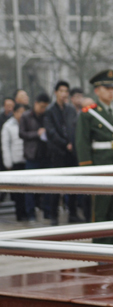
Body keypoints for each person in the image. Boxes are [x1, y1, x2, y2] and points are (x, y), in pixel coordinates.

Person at [75, 70, 113, 244]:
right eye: (107, 88)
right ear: (97, 91)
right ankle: (101, 246)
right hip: (100, 165)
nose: (111, 92)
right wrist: (88, 169)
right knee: (101, 209)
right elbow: (82, 143)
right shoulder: (88, 114)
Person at [44, 81, 78, 225]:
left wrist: (73, 144)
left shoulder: (71, 109)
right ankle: (53, 215)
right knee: (56, 185)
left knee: (74, 184)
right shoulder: (50, 110)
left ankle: (73, 214)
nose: (64, 94)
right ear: (56, 92)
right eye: (61, 91)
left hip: (71, 153)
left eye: (66, 91)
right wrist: (65, 144)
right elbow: (51, 132)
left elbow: (75, 128)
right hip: (57, 152)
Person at [19, 93, 51, 221]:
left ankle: (47, 212)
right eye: (42, 106)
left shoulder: (47, 115)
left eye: (45, 107)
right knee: (29, 186)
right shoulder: (26, 116)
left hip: (46, 154)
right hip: (32, 155)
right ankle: (30, 213)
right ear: (36, 103)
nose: (43, 109)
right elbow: (22, 133)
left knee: (48, 185)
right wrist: (36, 134)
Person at [2, 104, 28, 221]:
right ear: (15, 112)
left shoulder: (26, 123)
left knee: (27, 190)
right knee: (18, 191)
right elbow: (5, 145)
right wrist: (8, 163)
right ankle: (20, 214)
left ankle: (27, 212)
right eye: (20, 112)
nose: (22, 115)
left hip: (26, 159)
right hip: (15, 161)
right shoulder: (8, 126)